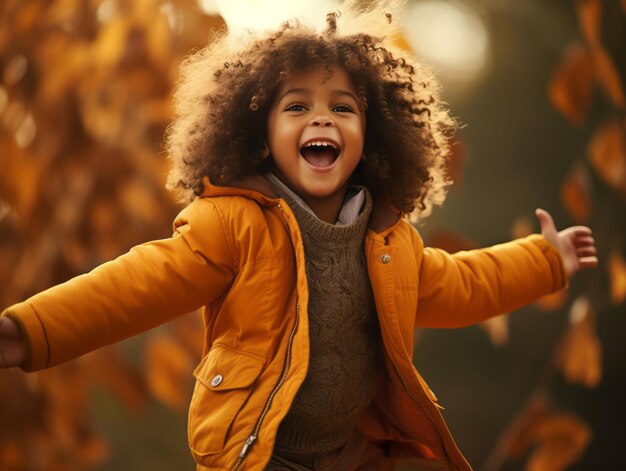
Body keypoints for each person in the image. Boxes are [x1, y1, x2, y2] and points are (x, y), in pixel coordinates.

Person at [0, 1, 598, 470]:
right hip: (257, 452)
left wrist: (546, 259)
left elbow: (466, 283)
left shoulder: (388, 242)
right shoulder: (233, 225)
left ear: (373, 136)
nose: (321, 118)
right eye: (297, 106)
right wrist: (27, 332)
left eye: (342, 107)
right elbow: (134, 284)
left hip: (349, 455)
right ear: (259, 137)